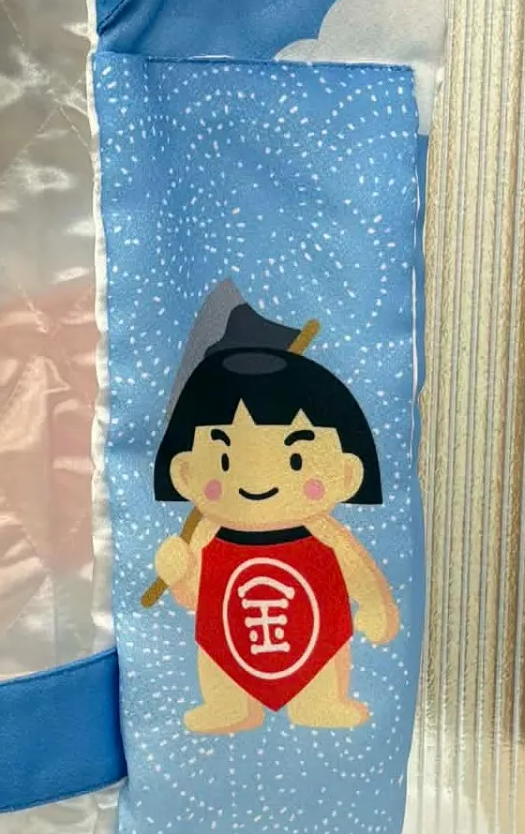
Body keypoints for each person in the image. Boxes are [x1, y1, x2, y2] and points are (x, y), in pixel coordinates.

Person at [152, 300, 399, 733]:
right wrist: (180, 573)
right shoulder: (208, 536)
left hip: (314, 642)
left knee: (320, 662)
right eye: (225, 459)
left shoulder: (324, 535)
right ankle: (227, 704)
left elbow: (357, 575)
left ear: (347, 473)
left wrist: (375, 604)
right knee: (218, 656)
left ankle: (318, 702)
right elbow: (197, 597)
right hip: (230, 641)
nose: (257, 479)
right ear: (185, 473)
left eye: (297, 459)